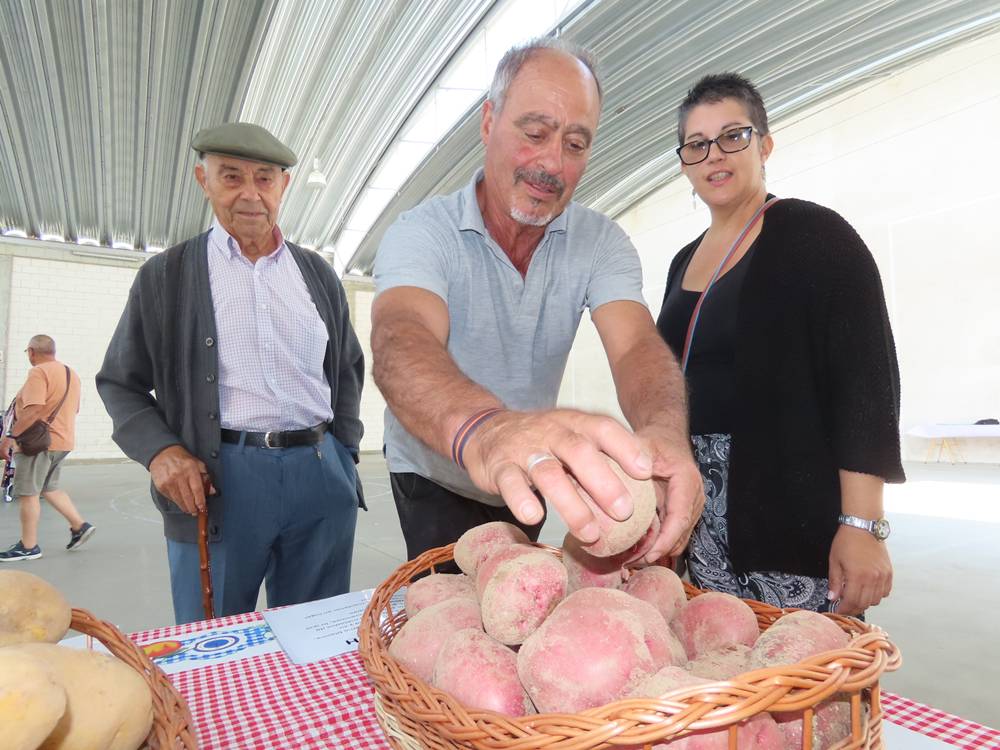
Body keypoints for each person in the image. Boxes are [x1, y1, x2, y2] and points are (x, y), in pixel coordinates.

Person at [372, 38, 704, 567]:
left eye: (575, 145)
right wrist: (486, 430)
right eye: (534, 133)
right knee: (447, 606)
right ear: (488, 123)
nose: (551, 163)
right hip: (435, 468)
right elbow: (400, 339)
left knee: (520, 606)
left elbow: (635, 344)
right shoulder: (423, 233)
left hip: (528, 465)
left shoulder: (600, 241)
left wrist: (663, 432)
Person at [656, 73, 904, 615]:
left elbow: (865, 382)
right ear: (683, 162)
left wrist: (863, 525)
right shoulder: (682, 261)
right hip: (701, 527)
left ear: (765, 144)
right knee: (722, 675)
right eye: (696, 145)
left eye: (733, 136)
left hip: (789, 513)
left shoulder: (815, 235)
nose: (714, 155)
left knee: (804, 684)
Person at [97, 122, 365, 624]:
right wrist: (162, 451)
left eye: (264, 179)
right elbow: (120, 382)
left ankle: (305, 706)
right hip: (221, 479)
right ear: (203, 180)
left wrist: (343, 454)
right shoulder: (167, 276)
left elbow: (346, 367)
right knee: (214, 638)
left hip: (320, 472)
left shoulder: (317, 274)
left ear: (284, 186)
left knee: (316, 635)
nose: (249, 194)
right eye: (231, 176)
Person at [0, 335, 94, 561]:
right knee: (48, 487)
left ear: (32, 351)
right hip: (63, 440)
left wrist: (10, 437)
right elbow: (76, 409)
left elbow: (33, 409)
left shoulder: (38, 372)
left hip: (38, 444)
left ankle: (29, 546)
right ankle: (79, 526)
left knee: (28, 492)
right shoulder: (71, 374)